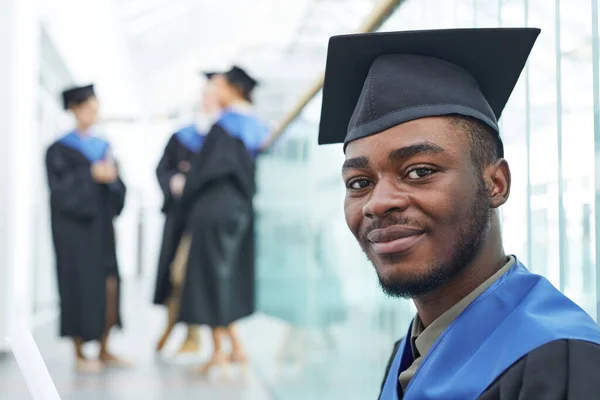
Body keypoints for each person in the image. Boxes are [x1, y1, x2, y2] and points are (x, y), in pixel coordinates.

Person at [317, 28, 600, 399]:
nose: (377, 203)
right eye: (358, 182)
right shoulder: (410, 353)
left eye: (420, 171)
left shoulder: (559, 362)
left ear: (496, 183)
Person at [174, 65, 270, 374]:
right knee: (225, 276)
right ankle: (233, 348)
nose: (215, 92)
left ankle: (219, 351)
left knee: (209, 277)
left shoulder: (225, 127)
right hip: (240, 210)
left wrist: (186, 184)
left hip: (214, 209)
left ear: (234, 89)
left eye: (220, 86)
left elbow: (204, 173)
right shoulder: (257, 127)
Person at [45, 84, 131, 373]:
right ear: (74, 109)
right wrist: (90, 175)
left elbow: (119, 193)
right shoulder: (58, 150)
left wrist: (112, 180)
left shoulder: (105, 148)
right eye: (88, 108)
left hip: (102, 231)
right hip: (75, 234)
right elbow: (60, 193)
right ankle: (80, 351)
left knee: (110, 285)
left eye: (96, 108)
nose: (93, 114)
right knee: (78, 286)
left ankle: (105, 347)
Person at [153, 78, 223, 356]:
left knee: (198, 274)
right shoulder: (182, 135)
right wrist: (173, 181)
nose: (208, 101)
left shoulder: (225, 135)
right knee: (176, 276)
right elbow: (163, 168)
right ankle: (183, 332)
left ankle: (202, 339)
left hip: (209, 218)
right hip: (181, 218)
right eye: (205, 95)